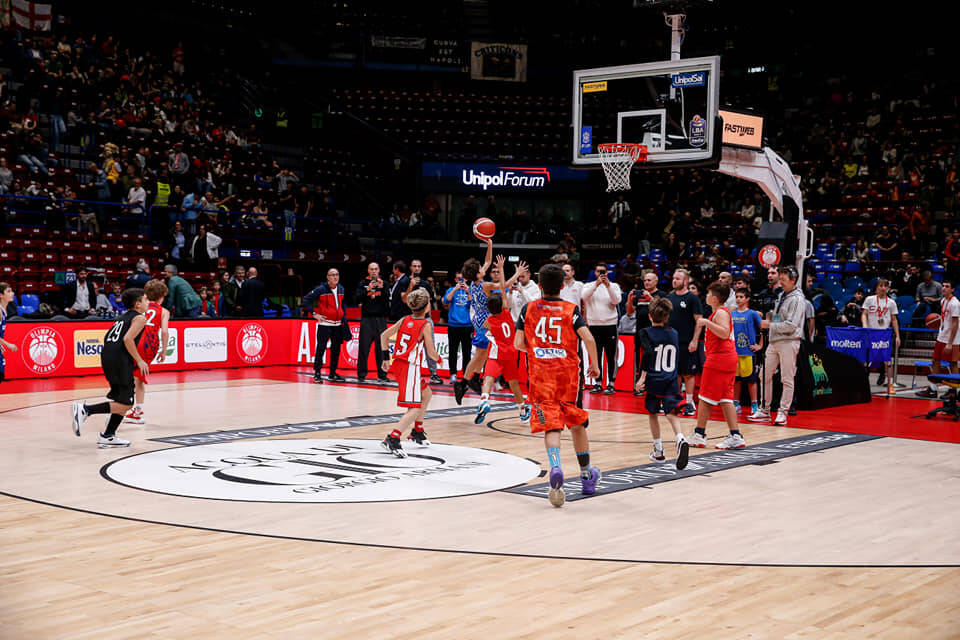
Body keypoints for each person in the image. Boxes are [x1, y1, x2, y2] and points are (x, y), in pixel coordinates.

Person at [515, 263, 601, 508]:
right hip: (568, 376)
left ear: (539, 285)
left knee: (551, 425)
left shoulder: (528, 308)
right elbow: (589, 338)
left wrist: (538, 350)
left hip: (541, 376)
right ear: (562, 286)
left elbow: (518, 343)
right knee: (575, 422)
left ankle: (555, 466)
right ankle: (586, 476)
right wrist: (594, 365)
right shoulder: (571, 309)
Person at [70, 288, 150, 448]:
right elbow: (128, 339)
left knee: (122, 398)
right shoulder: (140, 318)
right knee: (127, 403)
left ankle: (108, 436)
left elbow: (108, 337)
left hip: (109, 356)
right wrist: (139, 360)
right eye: (146, 300)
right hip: (119, 359)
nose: (148, 303)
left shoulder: (122, 317)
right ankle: (86, 410)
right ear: (138, 304)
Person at [379, 289, 440, 457]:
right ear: (427, 306)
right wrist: (440, 360)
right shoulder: (425, 325)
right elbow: (431, 352)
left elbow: (384, 336)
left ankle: (417, 431)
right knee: (414, 407)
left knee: (426, 394)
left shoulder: (405, 319)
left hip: (400, 364)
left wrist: (385, 359)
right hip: (410, 367)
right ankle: (393, 438)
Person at [687, 281, 746, 450]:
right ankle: (735, 435)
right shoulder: (720, 312)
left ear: (714, 299)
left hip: (720, 358)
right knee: (726, 398)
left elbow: (724, 332)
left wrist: (706, 323)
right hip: (726, 358)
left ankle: (699, 434)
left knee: (705, 398)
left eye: (707, 294)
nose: (705, 297)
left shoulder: (720, 313)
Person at [474, 257, 530, 425]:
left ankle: (484, 400)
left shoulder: (489, 321)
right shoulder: (506, 311)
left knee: (488, 377)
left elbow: (483, 325)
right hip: (511, 352)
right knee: (513, 383)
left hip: (497, 351)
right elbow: (504, 288)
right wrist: (503, 269)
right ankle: (522, 409)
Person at [635, 297, 689, 469]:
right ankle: (680, 438)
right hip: (671, 379)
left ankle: (658, 451)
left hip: (653, 377)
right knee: (672, 413)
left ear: (650, 316)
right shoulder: (674, 333)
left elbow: (648, 354)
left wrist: (642, 377)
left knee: (652, 413)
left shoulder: (646, 332)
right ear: (667, 317)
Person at [750, 266, 806, 426]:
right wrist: (768, 318)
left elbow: (791, 325)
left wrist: (769, 325)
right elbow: (777, 318)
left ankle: (783, 412)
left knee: (787, 378)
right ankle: (764, 410)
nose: (780, 282)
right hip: (774, 341)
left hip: (789, 341)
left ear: (793, 280)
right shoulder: (782, 295)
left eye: (783, 279)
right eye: (780, 279)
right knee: (763, 375)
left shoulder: (797, 299)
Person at [123, 280, 169, 425]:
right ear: (162, 296)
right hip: (151, 345)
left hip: (137, 341)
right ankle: (137, 410)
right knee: (139, 378)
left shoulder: (141, 306)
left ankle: (132, 409)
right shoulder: (164, 311)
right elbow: (165, 332)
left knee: (133, 376)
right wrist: (163, 351)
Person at [302, 268, 351, 383]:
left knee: (336, 350)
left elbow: (342, 305)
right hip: (325, 324)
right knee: (321, 348)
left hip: (338, 325)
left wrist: (343, 316)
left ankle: (332, 373)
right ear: (327, 277)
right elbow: (306, 300)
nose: (335, 277)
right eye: (332, 275)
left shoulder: (341, 289)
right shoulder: (321, 289)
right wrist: (314, 313)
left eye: (337, 275)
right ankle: (317, 373)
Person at [582, 262, 622, 395]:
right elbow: (584, 297)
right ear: (595, 272)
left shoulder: (614, 286)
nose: (601, 274)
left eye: (603, 271)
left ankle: (611, 384)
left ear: (607, 272)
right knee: (596, 356)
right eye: (599, 271)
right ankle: (597, 383)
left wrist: (608, 285)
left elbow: (616, 301)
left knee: (611, 356)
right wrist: (597, 284)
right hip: (594, 325)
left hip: (610, 325)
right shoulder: (589, 285)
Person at [668, 269, 703, 416]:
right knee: (675, 373)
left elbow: (699, 322)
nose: (674, 281)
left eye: (678, 279)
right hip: (672, 342)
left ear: (686, 281)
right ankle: (677, 400)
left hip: (687, 342)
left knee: (688, 374)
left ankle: (690, 403)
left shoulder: (692, 299)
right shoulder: (670, 297)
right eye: (674, 278)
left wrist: (694, 341)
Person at [626, 271, 668, 394]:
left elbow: (663, 310)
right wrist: (629, 300)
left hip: (656, 332)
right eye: (645, 280)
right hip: (641, 331)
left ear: (656, 281)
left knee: (654, 357)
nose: (646, 282)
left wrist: (651, 298)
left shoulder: (661, 295)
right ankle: (641, 385)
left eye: (649, 280)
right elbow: (629, 312)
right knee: (641, 359)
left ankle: (654, 384)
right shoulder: (639, 295)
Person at [917, 279, 959, 398]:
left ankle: (953, 391)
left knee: (953, 363)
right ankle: (933, 389)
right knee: (935, 361)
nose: (944, 288)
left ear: (952, 289)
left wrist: (950, 343)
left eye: (947, 286)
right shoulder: (943, 301)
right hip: (942, 336)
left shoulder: (955, 303)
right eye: (943, 286)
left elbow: (955, 324)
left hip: (953, 339)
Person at [404, 259, 442, 384]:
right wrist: (411, 286)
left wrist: (429, 319)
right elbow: (404, 299)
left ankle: (434, 374)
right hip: (412, 319)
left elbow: (429, 302)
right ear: (410, 267)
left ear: (421, 268)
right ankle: (410, 373)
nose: (416, 268)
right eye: (414, 266)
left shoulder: (425, 284)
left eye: (419, 266)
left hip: (425, 320)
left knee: (429, 347)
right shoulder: (405, 281)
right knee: (411, 348)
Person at [861, 278, 901, 387]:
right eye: (880, 286)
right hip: (870, 333)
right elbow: (864, 314)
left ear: (888, 288)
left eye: (885, 286)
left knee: (887, 360)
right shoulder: (869, 299)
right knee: (865, 358)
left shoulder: (891, 303)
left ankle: (891, 383)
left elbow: (894, 319)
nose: (883, 288)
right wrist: (865, 326)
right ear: (876, 288)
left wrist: (897, 336)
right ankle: (863, 381)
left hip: (884, 334)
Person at [355, 262, 389, 382]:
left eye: (376, 269)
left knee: (381, 348)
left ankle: (382, 375)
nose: (374, 271)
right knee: (364, 347)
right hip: (367, 319)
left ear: (379, 270)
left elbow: (387, 301)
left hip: (380, 319)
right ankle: (361, 374)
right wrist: (367, 290)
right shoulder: (363, 283)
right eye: (371, 269)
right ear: (368, 271)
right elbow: (357, 298)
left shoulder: (384, 283)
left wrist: (382, 289)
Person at [732, 288, 763, 415]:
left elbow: (763, 329)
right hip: (734, 352)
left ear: (747, 299)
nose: (738, 299)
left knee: (751, 381)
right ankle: (736, 403)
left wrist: (760, 345)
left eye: (741, 297)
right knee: (736, 380)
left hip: (748, 352)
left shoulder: (752, 314)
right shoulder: (732, 314)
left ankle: (754, 405)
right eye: (737, 296)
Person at [443, 271, 473, 384]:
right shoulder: (451, 290)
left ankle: (466, 375)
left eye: (463, 279)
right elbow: (446, 301)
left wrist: (468, 292)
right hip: (453, 325)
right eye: (459, 279)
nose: (461, 281)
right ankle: (453, 374)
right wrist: (455, 289)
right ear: (455, 280)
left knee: (467, 352)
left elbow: (473, 304)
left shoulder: (471, 289)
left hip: (468, 325)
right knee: (453, 351)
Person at [0, 282, 19, 384]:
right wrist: (7, 344)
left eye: (11, 291)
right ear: (1, 295)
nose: (12, 293)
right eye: (8, 291)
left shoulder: (5, 310)